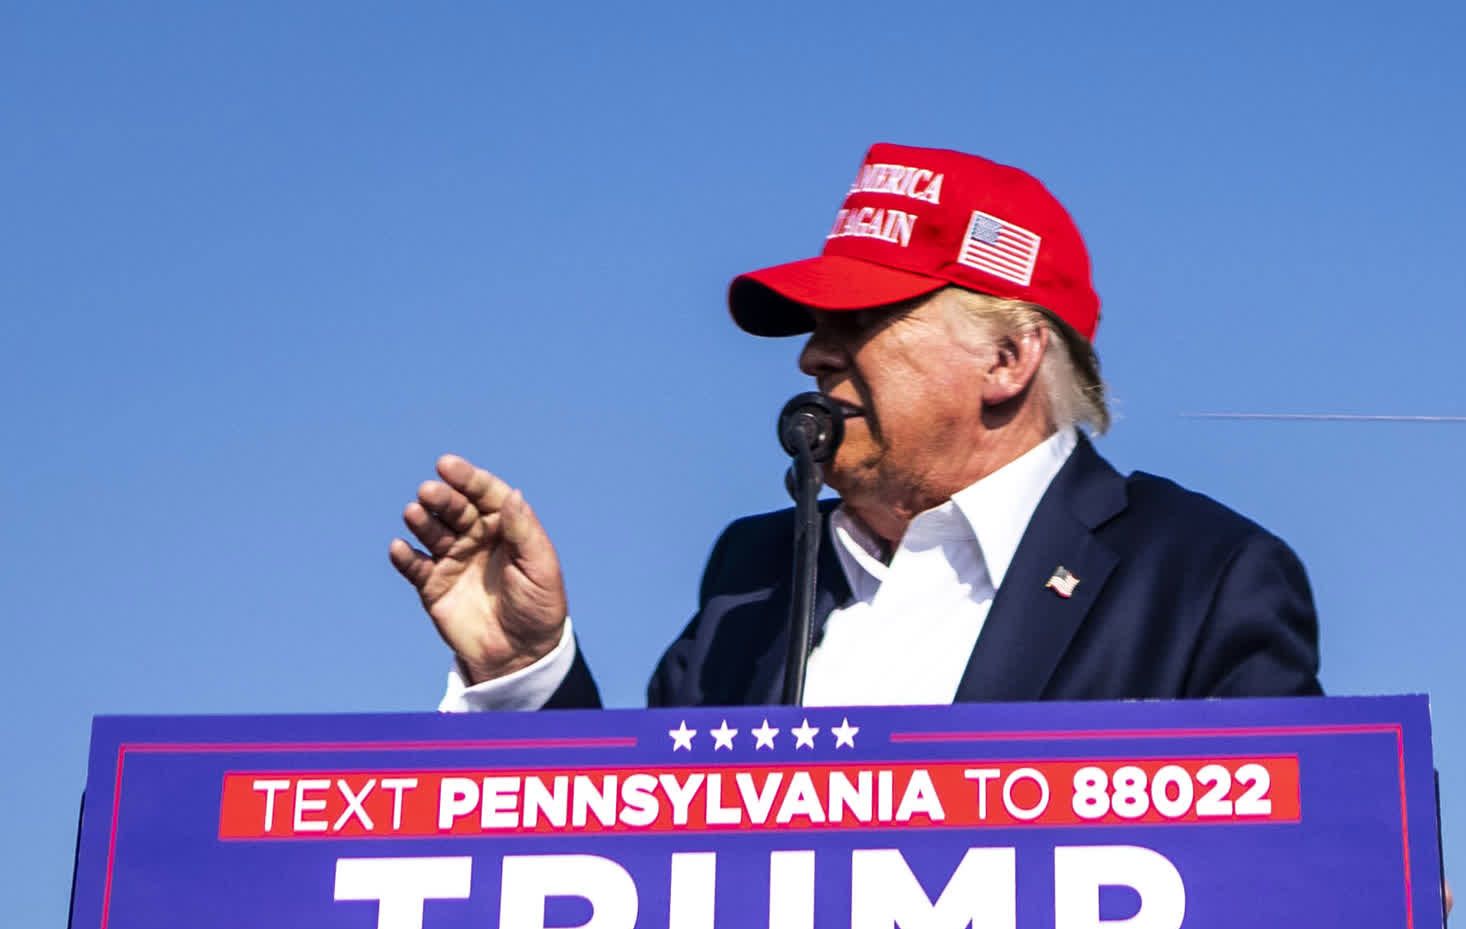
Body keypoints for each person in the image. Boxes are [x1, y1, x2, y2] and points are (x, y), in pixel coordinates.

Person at [390, 142, 1321, 709]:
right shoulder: (750, 580)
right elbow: (636, 878)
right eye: (813, 329)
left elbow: (1291, 875)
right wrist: (523, 672)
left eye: (861, 323)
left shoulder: (1203, 575)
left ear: (1008, 360)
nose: (813, 358)